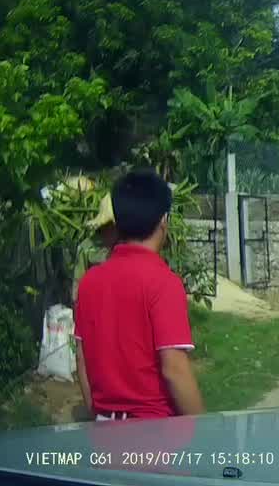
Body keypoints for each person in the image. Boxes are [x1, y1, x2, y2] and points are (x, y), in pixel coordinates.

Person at [74, 170, 205, 420]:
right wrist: (203, 429)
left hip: (104, 429)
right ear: (163, 220)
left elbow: (81, 358)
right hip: (154, 435)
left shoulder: (90, 282)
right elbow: (174, 369)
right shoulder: (163, 283)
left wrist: (99, 417)